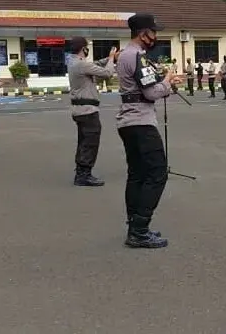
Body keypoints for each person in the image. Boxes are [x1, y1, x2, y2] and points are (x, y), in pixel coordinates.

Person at [116, 13, 181, 249]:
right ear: (143, 33)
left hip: (127, 122)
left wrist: (166, 85)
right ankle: (139, 230)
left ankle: (135, 224)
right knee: (157, 173)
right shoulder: (137, 56)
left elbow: (147, 88)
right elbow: (151, 93)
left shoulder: (125, 55)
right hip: (141, 122)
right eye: (153, 32)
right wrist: (167, 82)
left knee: (137, 174)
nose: (155, 37)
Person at [68, 36, 117, 187]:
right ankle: (84, 175)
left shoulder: (74, 62)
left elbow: (95, 65)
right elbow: (108, 73)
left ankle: (81, 172)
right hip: (87, 110)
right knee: (90, 142)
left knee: (84, 141)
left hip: (81, 110)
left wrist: (112, 58)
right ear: (83, 49)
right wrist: (111, 58)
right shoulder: (81, 65)